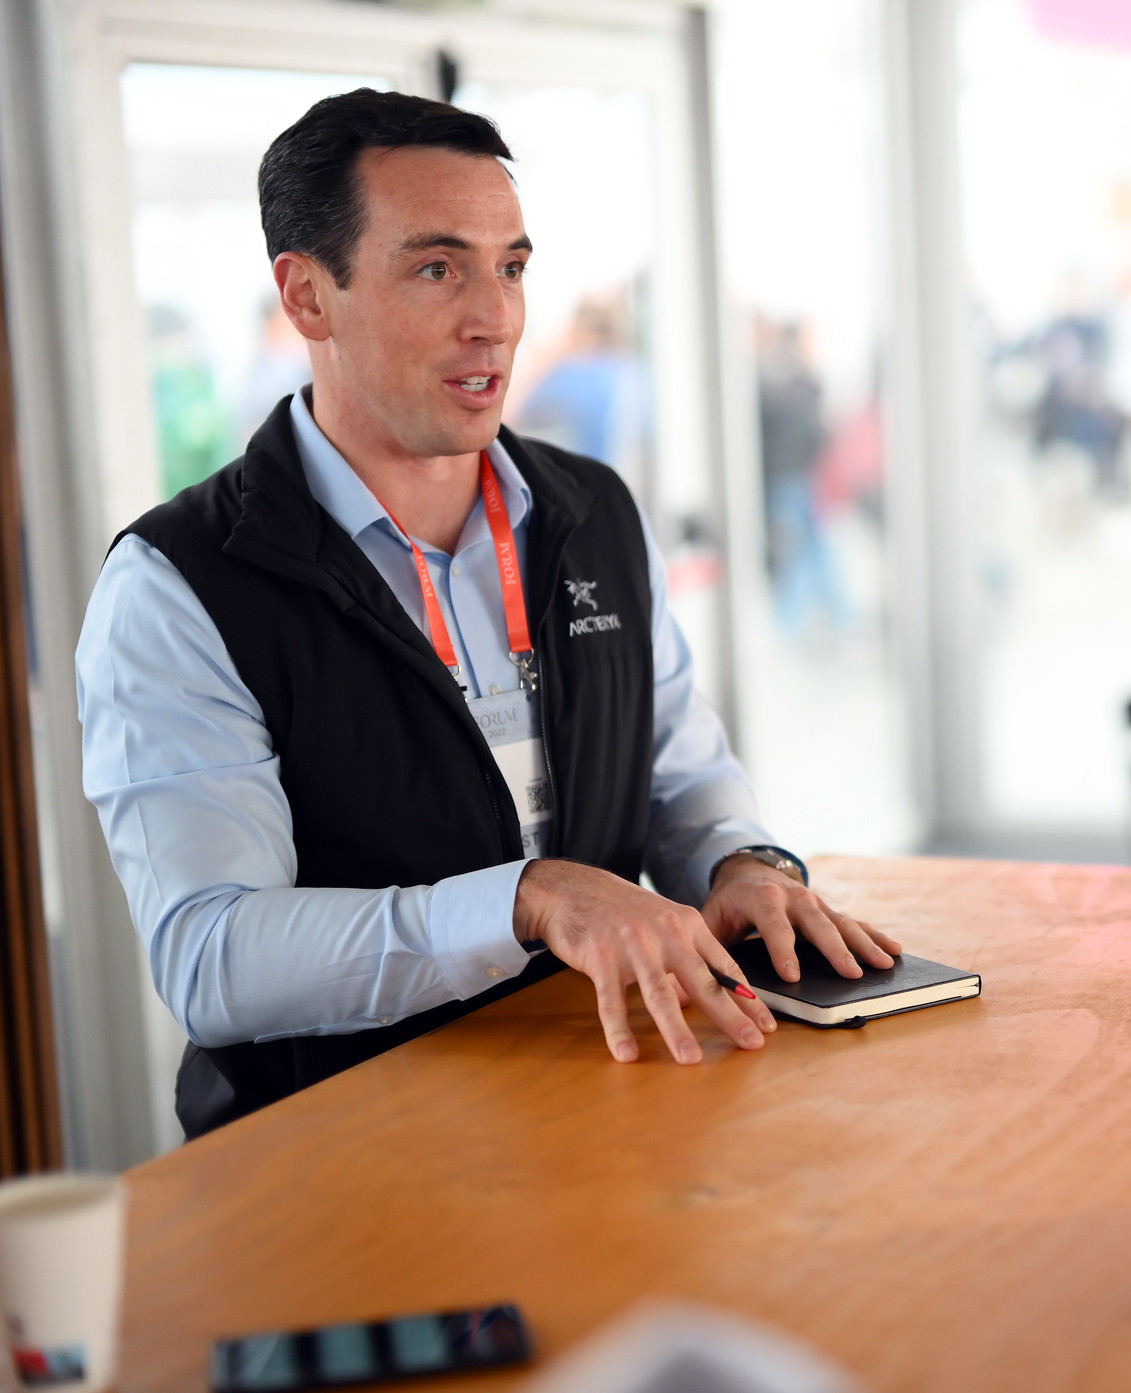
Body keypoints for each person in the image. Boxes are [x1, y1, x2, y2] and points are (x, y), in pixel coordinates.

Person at [75, 90, 900, 1140]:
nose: (495, 318)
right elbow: (213, 960)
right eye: (436, 268)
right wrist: (527, 899)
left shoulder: (590, 509)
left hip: (602, 1099)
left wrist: (741, 865)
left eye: (510, 267)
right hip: (337, 1163)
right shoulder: (179, 584)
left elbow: (682, 776)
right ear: (306, 296)